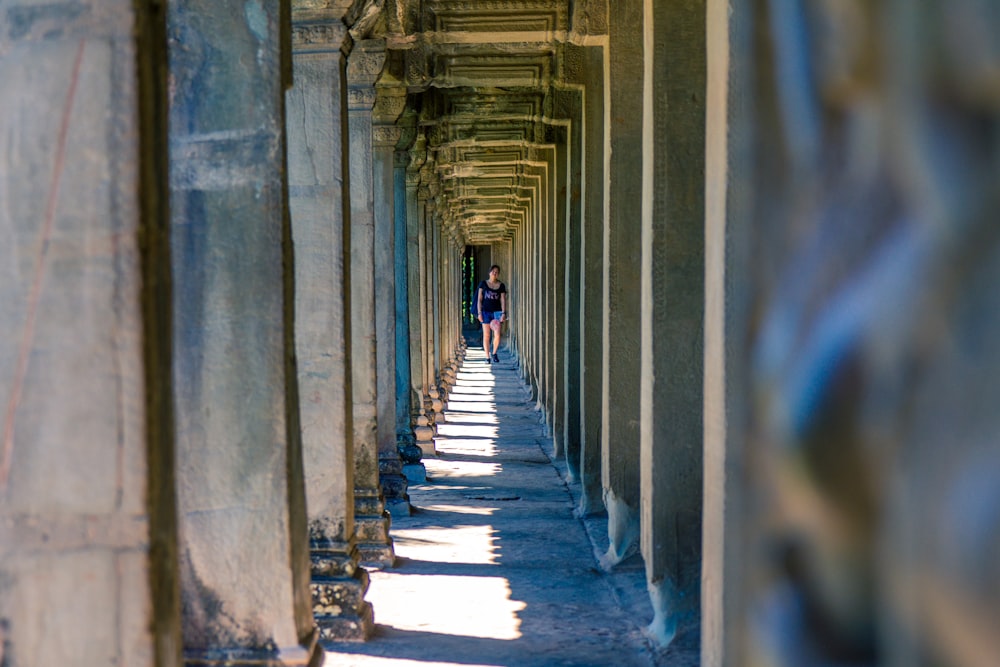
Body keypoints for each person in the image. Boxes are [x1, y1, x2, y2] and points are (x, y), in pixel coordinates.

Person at [477, 265, 507, 363]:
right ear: (489, 272)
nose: (495, 273)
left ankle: (494, 353)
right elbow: (479, 300)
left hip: (497, 313)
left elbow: (503, 300)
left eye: (497, 272)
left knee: (497, 334)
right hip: (485, 312)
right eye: (493, 271)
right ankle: (487, 357)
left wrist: (503, 313)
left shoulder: (501, 285)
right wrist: (479, 313)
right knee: (486, 335)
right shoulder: (483, 284)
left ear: (498, 274)